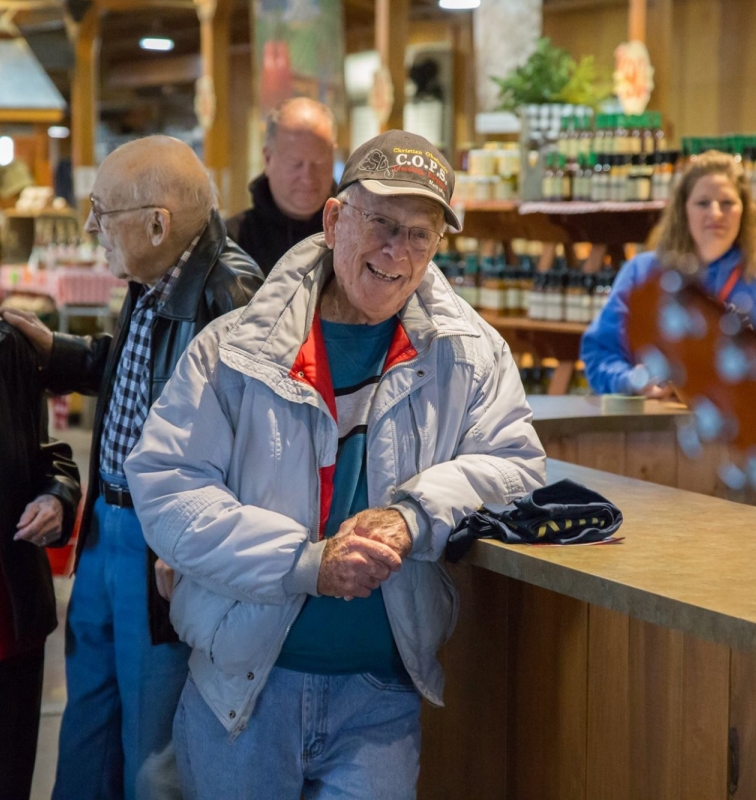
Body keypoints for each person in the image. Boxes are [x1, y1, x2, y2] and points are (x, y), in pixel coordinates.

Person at [125, 130, 546, 799]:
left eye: (420, 234)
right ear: (333, 218)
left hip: (379, 702)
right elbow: (168, 488)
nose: (396, 251)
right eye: (380, 223)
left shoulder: (468, 352)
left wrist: (414, 515)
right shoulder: (234, 349)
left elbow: (516, 464)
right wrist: (304, 562)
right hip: (241, 692)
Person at [1, 135, 263, 800]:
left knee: (151, 738)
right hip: (107, 527)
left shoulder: (230, 291)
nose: (90, 228)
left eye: (102, 212)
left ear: (157, 221)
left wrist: (199, 545)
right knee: (88, 715)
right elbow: (132, 371)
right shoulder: (152, 275)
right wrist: (55, 350)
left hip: (164, 542)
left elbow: (257, 439)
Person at [0, 181, 81, 800]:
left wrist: (56, 497)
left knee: (0, 782)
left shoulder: (2, 347)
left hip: (3, 623)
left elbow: (51, 456)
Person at [582, 149, 756, 396]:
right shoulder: (642, 273)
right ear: (683, 210)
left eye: (727, 203)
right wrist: (633, 381)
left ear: (745, 210)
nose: (715, 213)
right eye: (703, 202)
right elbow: (600, 355)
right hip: (654, 425)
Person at [226, 96, 336, 276]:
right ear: (268, 159)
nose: (307, 177)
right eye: (295, 164)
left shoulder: (354, 231)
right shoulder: (232, 243)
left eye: (319, 162)